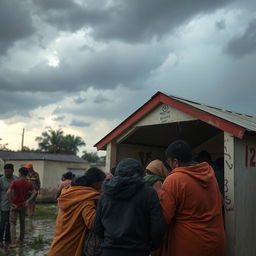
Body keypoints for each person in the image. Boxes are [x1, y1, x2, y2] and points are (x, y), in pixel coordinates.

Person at [159, 140, 225, 256]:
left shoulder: (174, 180)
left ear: (175, 161)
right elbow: (220, 201)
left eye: (168, 161)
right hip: (216, 242)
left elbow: (164, 217)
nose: (169, 165)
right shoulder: (210, 175)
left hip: (189, 245)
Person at [94, 158, 166, 256]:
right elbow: (157, 227)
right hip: (138, 250)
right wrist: (151, 245)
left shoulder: (105, 194)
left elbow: (97, 227)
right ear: (140, 173)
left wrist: (108, 242)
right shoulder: (149, 193)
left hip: (109, 250)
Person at [48, 167, 106, 256]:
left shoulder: (70, 192)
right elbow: (94, 224)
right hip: (70, 250)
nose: (102, 186)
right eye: (102, 182)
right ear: (95, 183)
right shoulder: (86, 199)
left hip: (58, 247)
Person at [6, 167, 37, 248]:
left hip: (15, 205)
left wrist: (11, 203)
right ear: (26, 174)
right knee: (22, 222)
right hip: (23, 205)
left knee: (13, 223)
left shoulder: (15, 182)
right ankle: (21, 239)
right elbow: (35, 192)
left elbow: (8, 192)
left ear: (20, 173)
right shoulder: (29, 183)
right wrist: (28, 201)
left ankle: (13, 242)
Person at [0, 164, 18, 247]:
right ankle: (0, 239)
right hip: (4, 204)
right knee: (3, 222)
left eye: (9, 171)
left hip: (14, 205)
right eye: (5, 171)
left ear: (13, 170)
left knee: (11, 223)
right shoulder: (1, 180)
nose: (7, 173)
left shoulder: (16, 179)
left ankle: (8, 238)